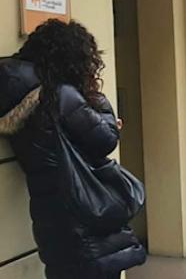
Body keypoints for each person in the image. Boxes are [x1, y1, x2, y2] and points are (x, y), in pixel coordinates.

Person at [0, 19, 145, 279]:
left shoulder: (22, 96)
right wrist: (99, 103)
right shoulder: (62, 95)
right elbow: (105, 140)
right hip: (82, 214)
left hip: (51, 212)